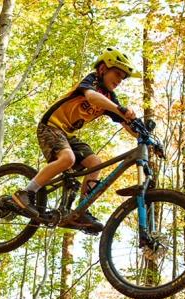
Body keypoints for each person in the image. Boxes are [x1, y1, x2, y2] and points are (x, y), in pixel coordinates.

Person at [12, 47, 141, 232]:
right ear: (103, 69)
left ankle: (80, 211)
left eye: (123, 78)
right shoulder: (92, 81)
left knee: (95, 163)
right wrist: (119, 109)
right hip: (50, 126)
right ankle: (26, 193)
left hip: (68, 135)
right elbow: (92, 97)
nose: (119, 80)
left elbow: (125, 123)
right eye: (117, 74)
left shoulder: (111, 97)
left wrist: (144, 137)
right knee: (68, 159)